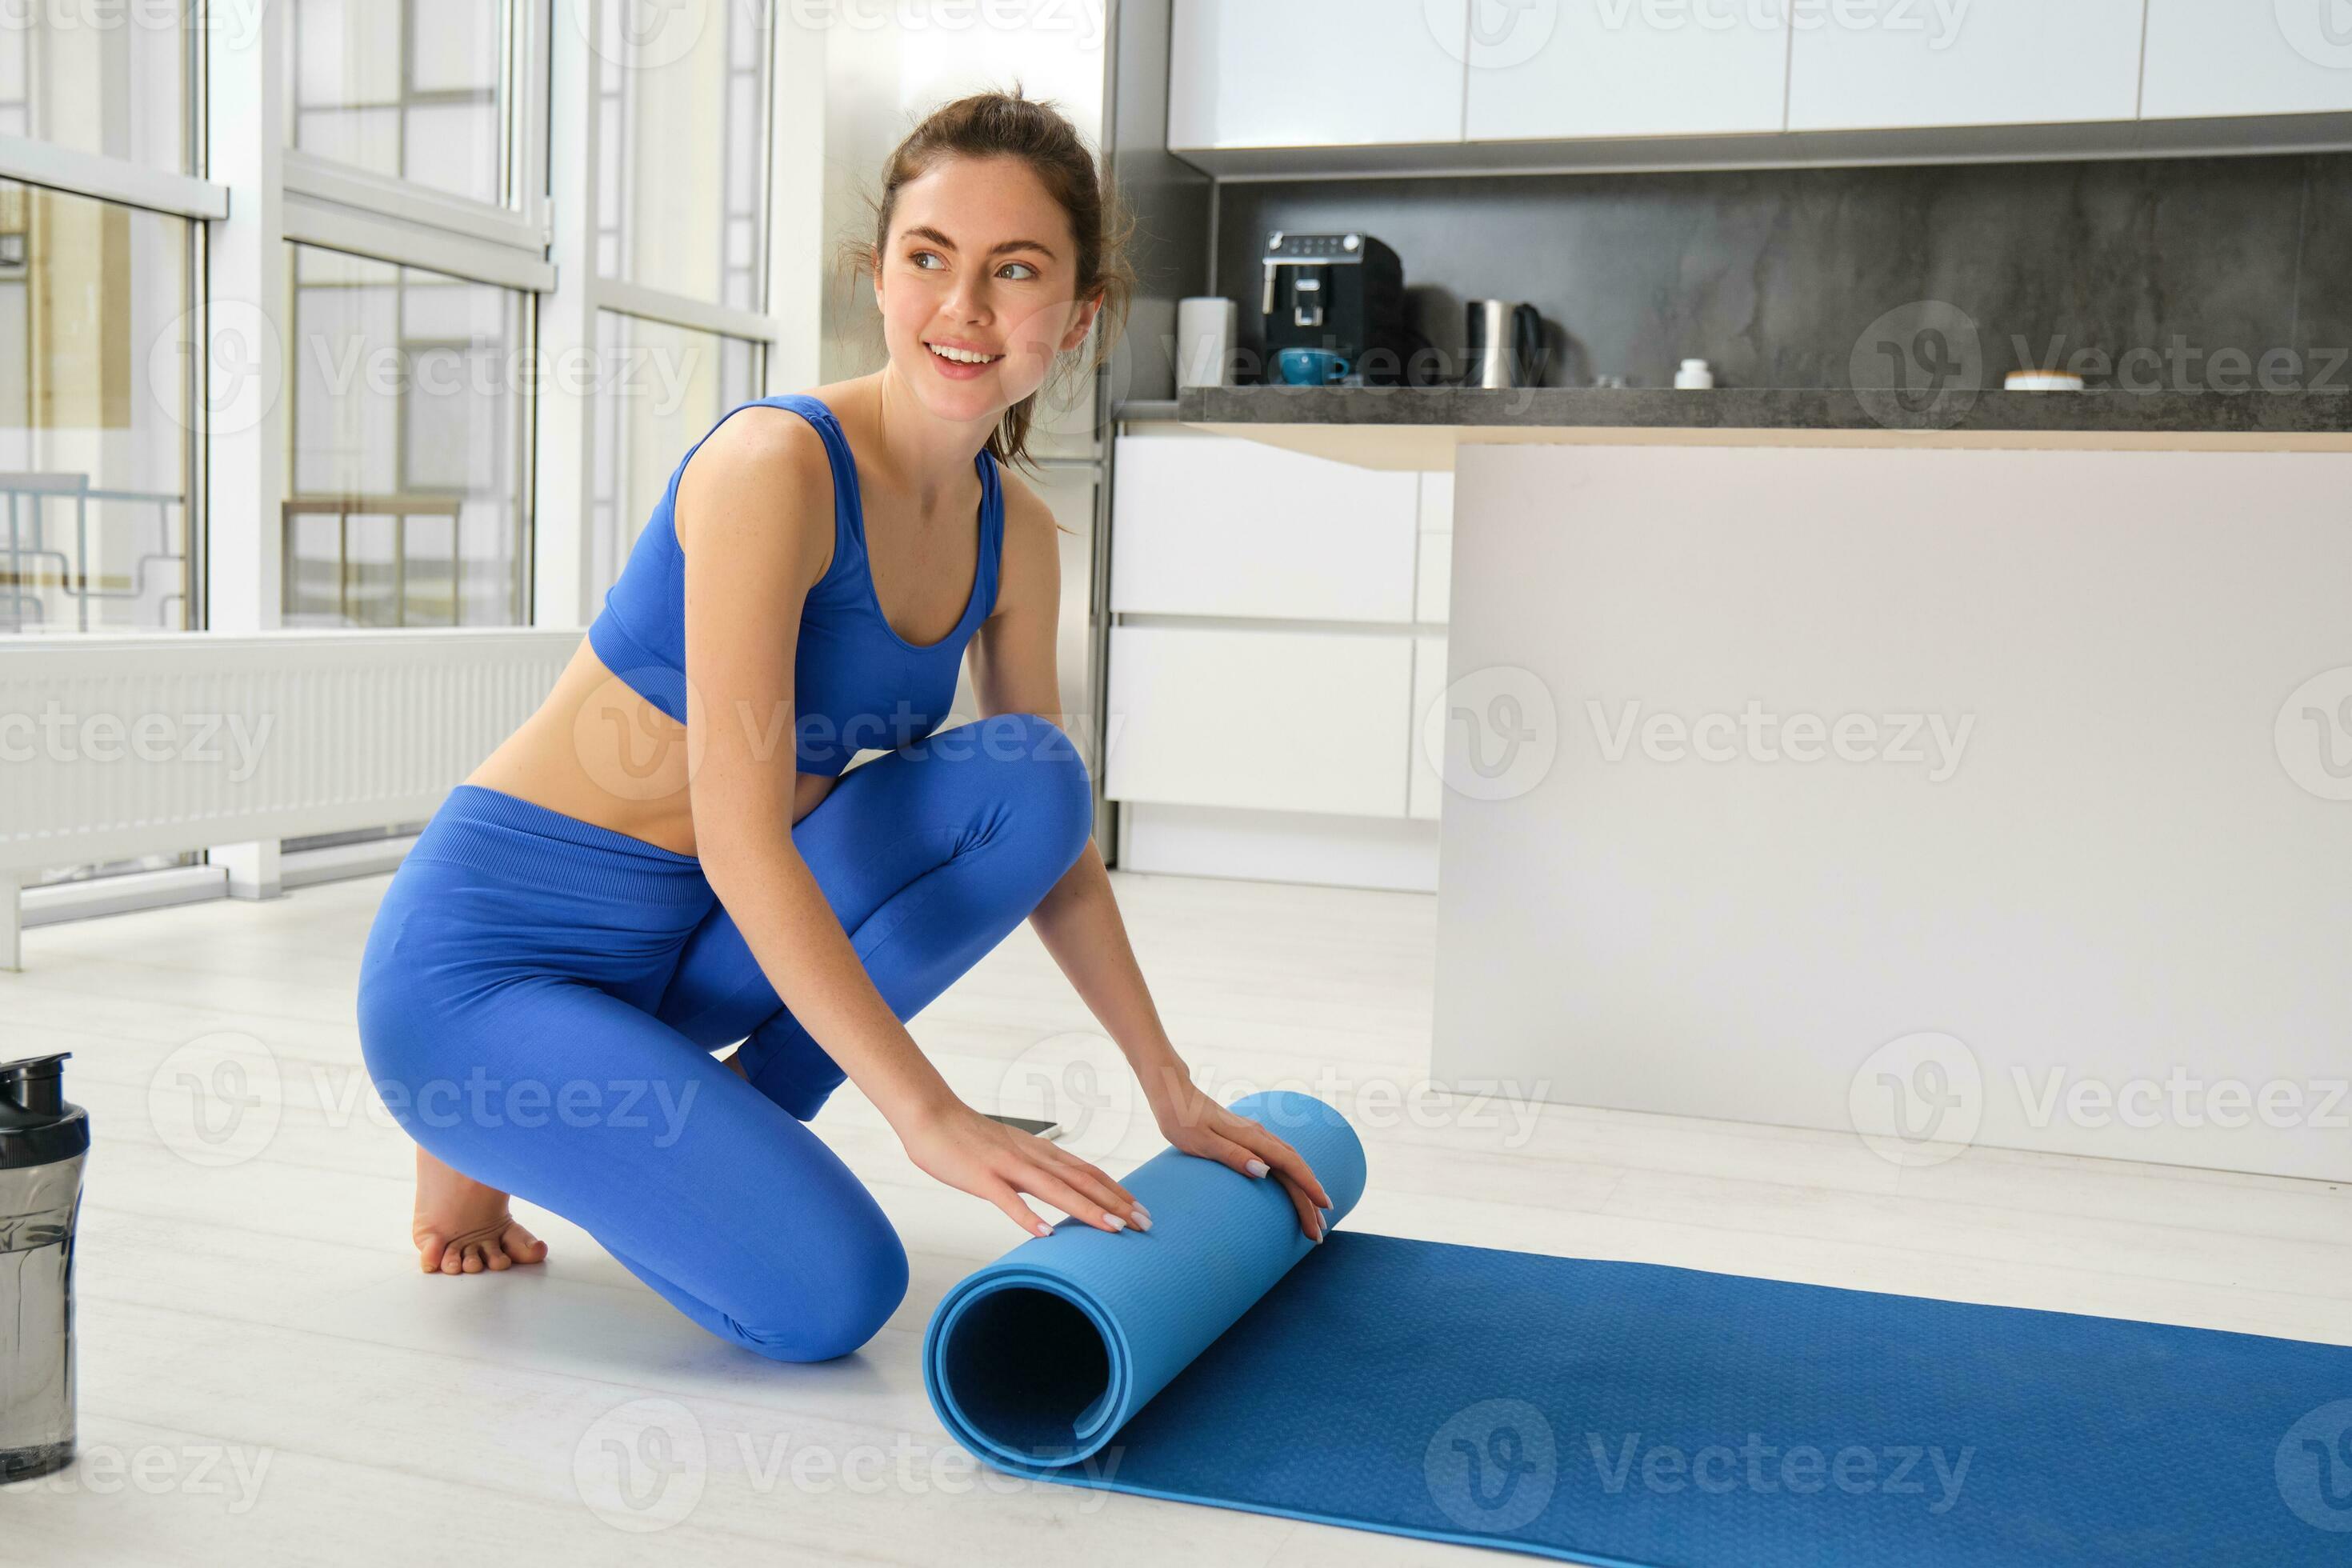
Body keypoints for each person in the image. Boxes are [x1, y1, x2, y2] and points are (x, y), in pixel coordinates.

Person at [355, 89, 1332, 1363]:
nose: (964, 308)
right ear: (878, 278)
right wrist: (928, 1114)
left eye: (1015, 271)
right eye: (929, 259)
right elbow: (740, 833)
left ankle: (687, 1120)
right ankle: (486, 1116)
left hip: (689, 955)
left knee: (1033, 783)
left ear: (1081, 314)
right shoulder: (776, 468)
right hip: (490, 966)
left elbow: (1046, 850)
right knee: (834, 1298)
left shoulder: (1017, 533)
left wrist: (1170, 1085)